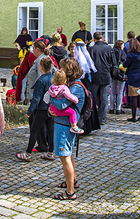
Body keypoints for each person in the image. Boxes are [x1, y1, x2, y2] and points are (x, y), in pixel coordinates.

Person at [51, 57, 85, 201]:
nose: (60, 70)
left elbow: (61, 105)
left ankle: (70, 192)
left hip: (65, 127)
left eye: (62, 68)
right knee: (68, 155)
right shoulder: (70, 84)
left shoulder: (75, 87)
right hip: (63, 124)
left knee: (65, 158)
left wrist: (50, 96)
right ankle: (72, 181)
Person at [18, 56, 55, 161]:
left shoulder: (41, 81)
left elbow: (36, 98)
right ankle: (50, 152)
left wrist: (30, 111)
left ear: (41, 66)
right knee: (51, 130)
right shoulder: (53, 79)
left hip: (42, 109)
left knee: (34, 130)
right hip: (51, 108)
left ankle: (28, 153)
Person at [89, 32, 113, 125]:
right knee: (104, 98)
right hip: (106, 75)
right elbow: (113, 62)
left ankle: (93, 117)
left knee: (93, 97)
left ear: (94, 39)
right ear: (102, 38)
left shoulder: (91, 49)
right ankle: (102, 118)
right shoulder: (108, 48)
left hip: (95, 75)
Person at [49, 70, 83, 134]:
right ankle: (74, 127)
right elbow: (68, 96)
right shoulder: (64, 88)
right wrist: (75, 99)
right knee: (72, 112)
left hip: (53, 108)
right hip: (59, 110)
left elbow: (47, 96)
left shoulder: (51, 87)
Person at [123, 38, 140, 122]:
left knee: (134, 97)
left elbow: (125, 64)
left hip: (132, 76)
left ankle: (134, 116)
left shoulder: (130, 55)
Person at [109, 40, 126, 114]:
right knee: (120, 91)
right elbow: (124, 62)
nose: (123, 46)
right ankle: (118, 108)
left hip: (113, 72)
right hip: (120, 72)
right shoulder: (122, 52)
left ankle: (111, 108)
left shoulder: (112, 52)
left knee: (112, 91)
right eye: (123, 45)